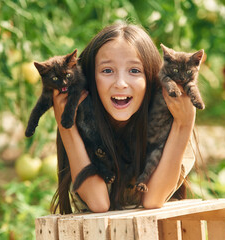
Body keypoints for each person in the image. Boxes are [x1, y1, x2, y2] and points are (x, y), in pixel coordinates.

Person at [50, 22, 196, 214]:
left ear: (151, 79)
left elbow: (153, 199)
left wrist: (185, 124)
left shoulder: (172, 123)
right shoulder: (82, 122)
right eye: (107, 71)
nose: (120, 83)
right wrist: (65, 125)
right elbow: (98, 203)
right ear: (90, 80)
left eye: (134, 71)